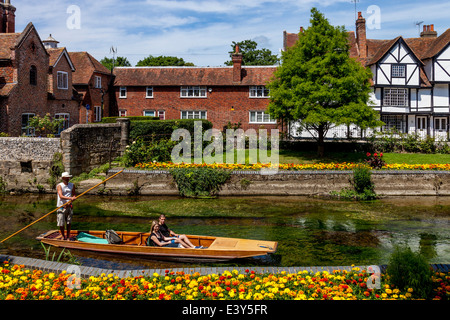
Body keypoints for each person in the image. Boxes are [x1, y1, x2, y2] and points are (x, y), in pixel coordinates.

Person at [56, 172, 77, 240]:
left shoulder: (72, 185)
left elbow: (74, 195)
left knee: (69, 222)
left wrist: (71, 200)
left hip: (69, 206)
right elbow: (61, 196)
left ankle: (68, 236)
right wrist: (70, 198)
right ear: (63, 178)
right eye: (66, 178)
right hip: (61, 207)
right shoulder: (59, 185)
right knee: (61, 223)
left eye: (68, 178)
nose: (68, 179)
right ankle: (63, 236)